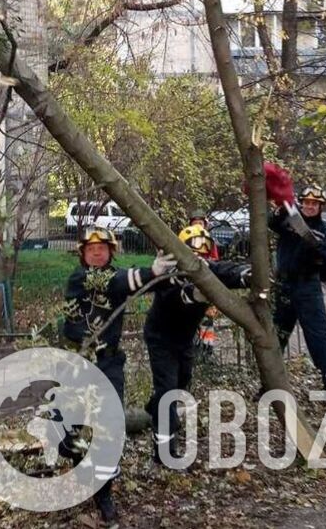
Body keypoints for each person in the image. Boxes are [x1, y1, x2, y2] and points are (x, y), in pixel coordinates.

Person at [59, 227, 170, 526]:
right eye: (91, 248)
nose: (97, 252)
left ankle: (103, 493)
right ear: (82, 254)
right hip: (77, 364)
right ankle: (72, 453)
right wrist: (149, 271)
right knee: (71, 430)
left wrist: (162, 271)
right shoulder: (80, 278)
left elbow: (135, 283)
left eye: (103, 248)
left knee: (108, 426)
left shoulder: (117, 279)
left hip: (108, 364)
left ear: (111, 252)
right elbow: (116, 281)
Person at [143, 222, 252, 464]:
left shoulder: (206, 269)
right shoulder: (169, 276)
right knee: (168, 392)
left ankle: (155, 406)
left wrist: (246, 275)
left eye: (203, 255)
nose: (199, 260)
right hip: (161, 338)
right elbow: (176, 297)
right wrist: (195, 295)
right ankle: (163, 451)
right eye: (193, 254)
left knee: (181, 385)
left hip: (184, 339)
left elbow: (225, 270)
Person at [271, 181, 326, 395]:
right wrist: (283, 206)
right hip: (284, 285)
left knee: (318, 335)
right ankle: (269, 383)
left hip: (307, 287)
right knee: (277, 336)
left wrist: (315, 245)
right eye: (306, 202)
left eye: (314, 203)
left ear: (321, 207)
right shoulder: (289, 220)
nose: (310, 206)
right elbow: (271, 222)